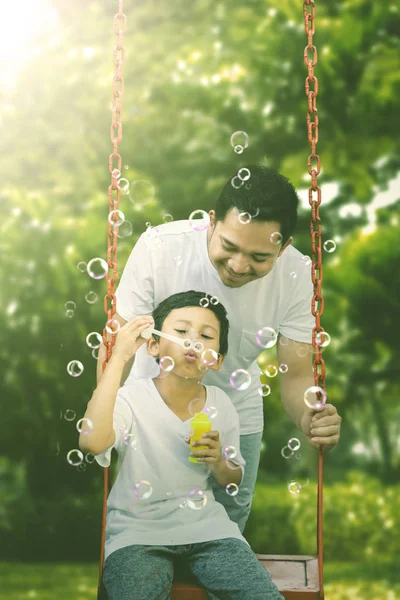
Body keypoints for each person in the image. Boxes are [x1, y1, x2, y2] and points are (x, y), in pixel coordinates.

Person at [96, 163, 342, 535]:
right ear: (211, 222)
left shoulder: (298, 276)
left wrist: (310, 417)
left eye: (259, 258)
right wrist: (103, 413)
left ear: (284, 246)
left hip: (236, 411)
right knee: (143, 528)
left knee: (226, 531)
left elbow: (298, 375)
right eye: (229, 247)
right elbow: (119, 346)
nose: (239, 266)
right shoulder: (160, 248)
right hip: (151, 406)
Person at [80, 290, 285, 599]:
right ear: (153, 344)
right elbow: (92, 442)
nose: (193, 341)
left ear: (217, 360)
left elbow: (233, 478)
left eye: (206, 335)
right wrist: (120, 357)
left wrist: (218, 462)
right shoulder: (131, 399)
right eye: (180, 331)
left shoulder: (221, 404)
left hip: (208, 529)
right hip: (137, 533)